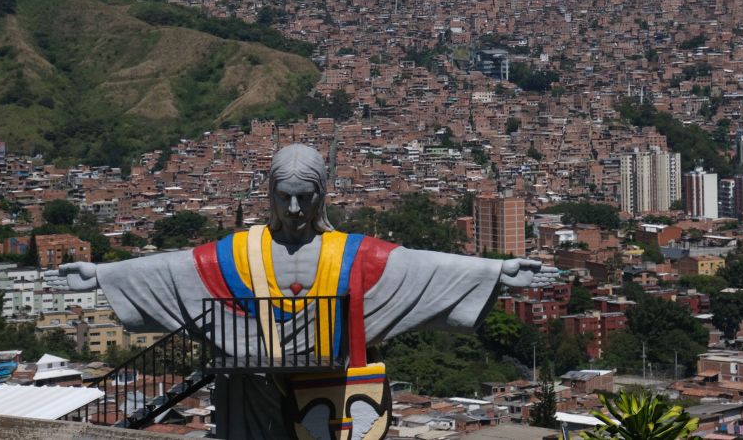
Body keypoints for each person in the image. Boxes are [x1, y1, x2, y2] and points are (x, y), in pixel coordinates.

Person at [46, 144, 556, 439]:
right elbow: (177, 268)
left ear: (321, 197)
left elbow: (419, 266)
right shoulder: (237, 253)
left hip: (330, 392)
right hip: (249, 395)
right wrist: (105, 275)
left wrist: (495, 271)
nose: (294, 210)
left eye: (305, 198)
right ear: (269, 195)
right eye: (284, 198)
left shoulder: (351, 254)